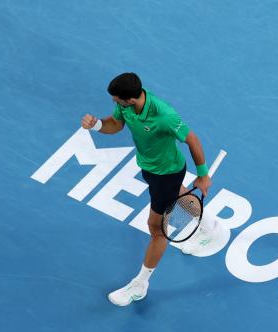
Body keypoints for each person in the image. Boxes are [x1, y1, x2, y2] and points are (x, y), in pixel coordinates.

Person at [81, 72, 219, 306]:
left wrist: (203, 174)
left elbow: (192, 139)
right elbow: (115, 124)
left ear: (130, 99)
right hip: (150, 168)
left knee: (156, 229)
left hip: (167, 173)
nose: (115, 103)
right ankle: (208, 225)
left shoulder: (164, 115)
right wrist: (96, 126)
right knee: (178, 193)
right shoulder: (127, 107)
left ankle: (140, 285)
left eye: (117, 100)